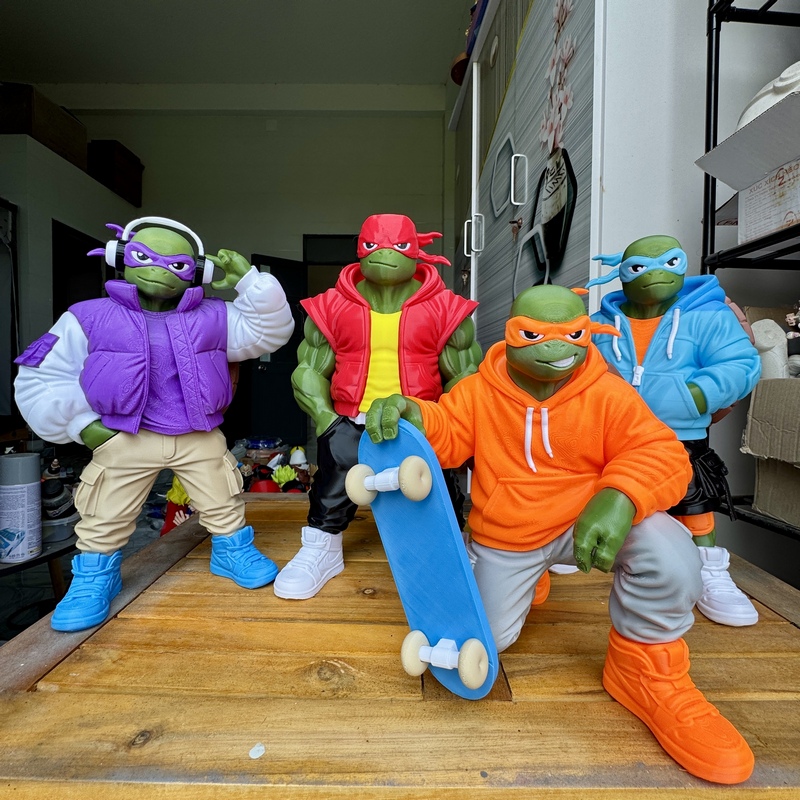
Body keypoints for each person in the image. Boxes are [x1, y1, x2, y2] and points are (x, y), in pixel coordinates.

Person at [366, 283, 754, 785]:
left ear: (587, 334)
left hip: (589, 522)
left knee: (673, 554)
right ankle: (529, 581)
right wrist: (417, 416)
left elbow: (661, 452)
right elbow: (449, 431)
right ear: (509, 333)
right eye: (534, 335)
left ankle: (643, 670)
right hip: (511, 532)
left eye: (572, 335)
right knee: (484, 641)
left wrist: (621, 496)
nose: (556, 348)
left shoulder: (608, 393)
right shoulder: (479, 391)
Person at [14, 216, 294, 631]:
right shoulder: (87, 316)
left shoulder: (214, 315)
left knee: (222, 497)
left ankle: (232, 550)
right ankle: (94, 578)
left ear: (199, 273)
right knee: (105, 510)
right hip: (125, 434)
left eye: (177, 264)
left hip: (197, 433)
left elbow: (270, 332)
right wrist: (83, 425)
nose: (160, 270)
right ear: (120, 256)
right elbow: (42, 374)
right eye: (144, 257)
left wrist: (251, 283)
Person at [276, 213, 480, 599]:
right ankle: (322, 547)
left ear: (416, 251)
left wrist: (448, 424)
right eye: (372, 245)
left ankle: (448, 550)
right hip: (350, 417)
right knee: (333, 483)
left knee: (434, 488)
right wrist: (326, 420)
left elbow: (466, 379)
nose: (384, 254)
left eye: (397, 246)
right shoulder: (332, 306)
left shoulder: (446, 308)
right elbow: (309, 370)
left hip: (419, 418)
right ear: (360, 250)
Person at [588, 235, 761, 626]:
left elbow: (740, 363)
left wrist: (694, 396)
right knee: (596, 486)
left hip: (680, 433)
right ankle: (572, 544)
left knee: (692, 499)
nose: (654, 274)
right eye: (639, 267)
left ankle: (709, 569)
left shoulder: (708, 316)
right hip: (612, 434)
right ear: (622, 274)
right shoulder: (599, 323)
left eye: (668, 263)